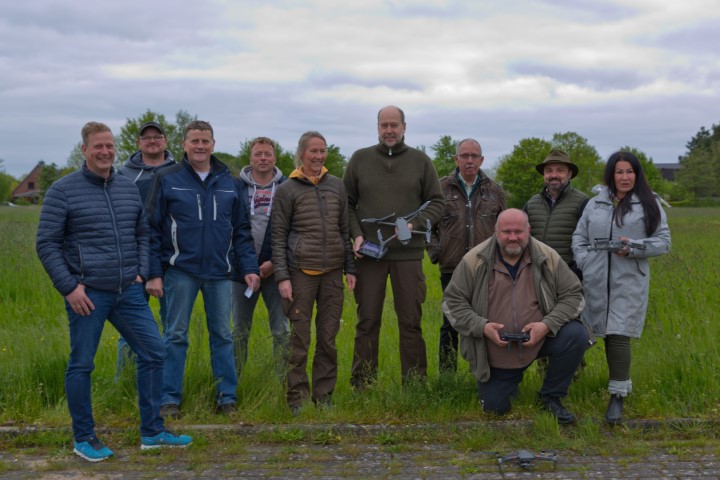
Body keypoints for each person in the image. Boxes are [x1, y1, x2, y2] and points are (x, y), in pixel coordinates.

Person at [36, 122, 191, 462]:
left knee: (154, 352)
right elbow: (46, 244)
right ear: (84, 150)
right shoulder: (63, 190)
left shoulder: (125, 187)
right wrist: (69, 287)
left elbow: (142, 233)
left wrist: (140, 272)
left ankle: (152, 432)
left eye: (109, 146)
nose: (105, 152)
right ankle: (84, 438)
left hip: (127, 292)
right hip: (88, 294)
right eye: (98, 147)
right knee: (82, 364)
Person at [146, 120, 260, 418]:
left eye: (205, 141)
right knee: (175, 335)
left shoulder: (229, 182)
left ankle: (227, 397)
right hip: (179, 271)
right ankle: (169, 398)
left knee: (223, 335)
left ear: (213, 144)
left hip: (220, 273)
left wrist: (248, 267)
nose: (200, 146)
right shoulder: (168, 179)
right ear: (183, 145)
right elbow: (153, 229)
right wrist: (154, 273)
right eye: (194, 141)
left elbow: (242, 231)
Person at [442, 209, 587, 424]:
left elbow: (574, 295)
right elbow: (452, 302)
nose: (512, 237)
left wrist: (546, 326)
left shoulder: (548, 256)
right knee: (495, 409)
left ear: (528, 231)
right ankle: (507, 382)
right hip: (495, 350)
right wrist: (482, 327)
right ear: (496, 231)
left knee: (576, 335)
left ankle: (551, 397)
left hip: (539, 341)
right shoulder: (474, 259)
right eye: (506, 231)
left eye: (518, 232)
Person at [343, 105, 444, 387]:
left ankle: (414, 384)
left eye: (394, 125)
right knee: (367, 320)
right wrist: (357, 234)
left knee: (411, 321)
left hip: (408, 255)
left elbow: (437, 202)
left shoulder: (421, 161)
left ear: (404, 127)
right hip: (370, 254)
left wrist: (414, 224)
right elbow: (347, 204)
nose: (389, 130)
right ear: (377, 127)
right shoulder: (360, 160)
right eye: (384, 125)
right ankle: (363, 384)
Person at [572, 151, 670, 425]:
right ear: (611, 175)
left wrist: (636, 248)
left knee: (617, 333)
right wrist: (585, 260)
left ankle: (617, 396)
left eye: (629, 172)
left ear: (636, 175)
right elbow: (579, 237)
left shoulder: (649, 204)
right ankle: (563, 383)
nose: (624, 177)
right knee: (586, 332)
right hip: (594, 278)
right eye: (619, 172)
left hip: (629, 280)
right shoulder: (595, 204)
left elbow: (664, 241)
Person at [271, 131, 356, 414]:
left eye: (322, 151)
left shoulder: (336, 186)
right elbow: (278, 236)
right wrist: (282, 277)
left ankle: (324, 397)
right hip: (300, 274)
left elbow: (344, 230)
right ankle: (297, 399)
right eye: (313, 151)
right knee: (299, 341)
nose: (318, 156)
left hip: (332, 272)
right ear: (301, 154)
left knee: (328, 339)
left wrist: (350, 269)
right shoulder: (287, 189)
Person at [427, 138, 505, 373]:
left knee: (486, 321)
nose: (469, 160)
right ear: (456, 159)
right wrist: (436, 251)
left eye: (474, 156)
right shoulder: (439, 189)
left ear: (481, 160)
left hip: (486, 269)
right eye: (464, 156)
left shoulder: (494, 191)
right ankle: (448, 377)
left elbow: (503, 229)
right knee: (450, 322)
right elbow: (426, 226)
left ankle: (486, 373)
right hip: (452, 268)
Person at [115, 121, 176, 376]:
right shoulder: (124, 174)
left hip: (171, 257)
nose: (153, 141)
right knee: (131, 324)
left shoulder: (178, 171)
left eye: (157, 136)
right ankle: (126, 380)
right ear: (139, 143)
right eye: (147, 137)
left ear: (165, 141)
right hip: (133, 257)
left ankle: (164, 382)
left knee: (170, 326)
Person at [231, 137, 290, 376]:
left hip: (276, 271)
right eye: (258, 154)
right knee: (238, 331)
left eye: (267, 154)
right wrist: (247, 267)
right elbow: (230, 228)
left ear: (275, 158)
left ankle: (283, 384)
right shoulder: (235, 187)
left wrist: (275, 263)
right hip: (240, 272)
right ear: (250, 158)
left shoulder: (287, 187)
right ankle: (235, 383)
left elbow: (294, 229)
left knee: (281, 330)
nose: (263, 158)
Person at [524, 149, 589, 280]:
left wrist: (575, 273)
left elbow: (589, 242)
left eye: (560, 170)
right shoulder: (531, 203)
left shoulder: (583, 202)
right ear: (544, 174)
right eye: (549, 170)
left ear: (569, 174)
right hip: (535, 276)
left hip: (569, 277)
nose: (554, 175)